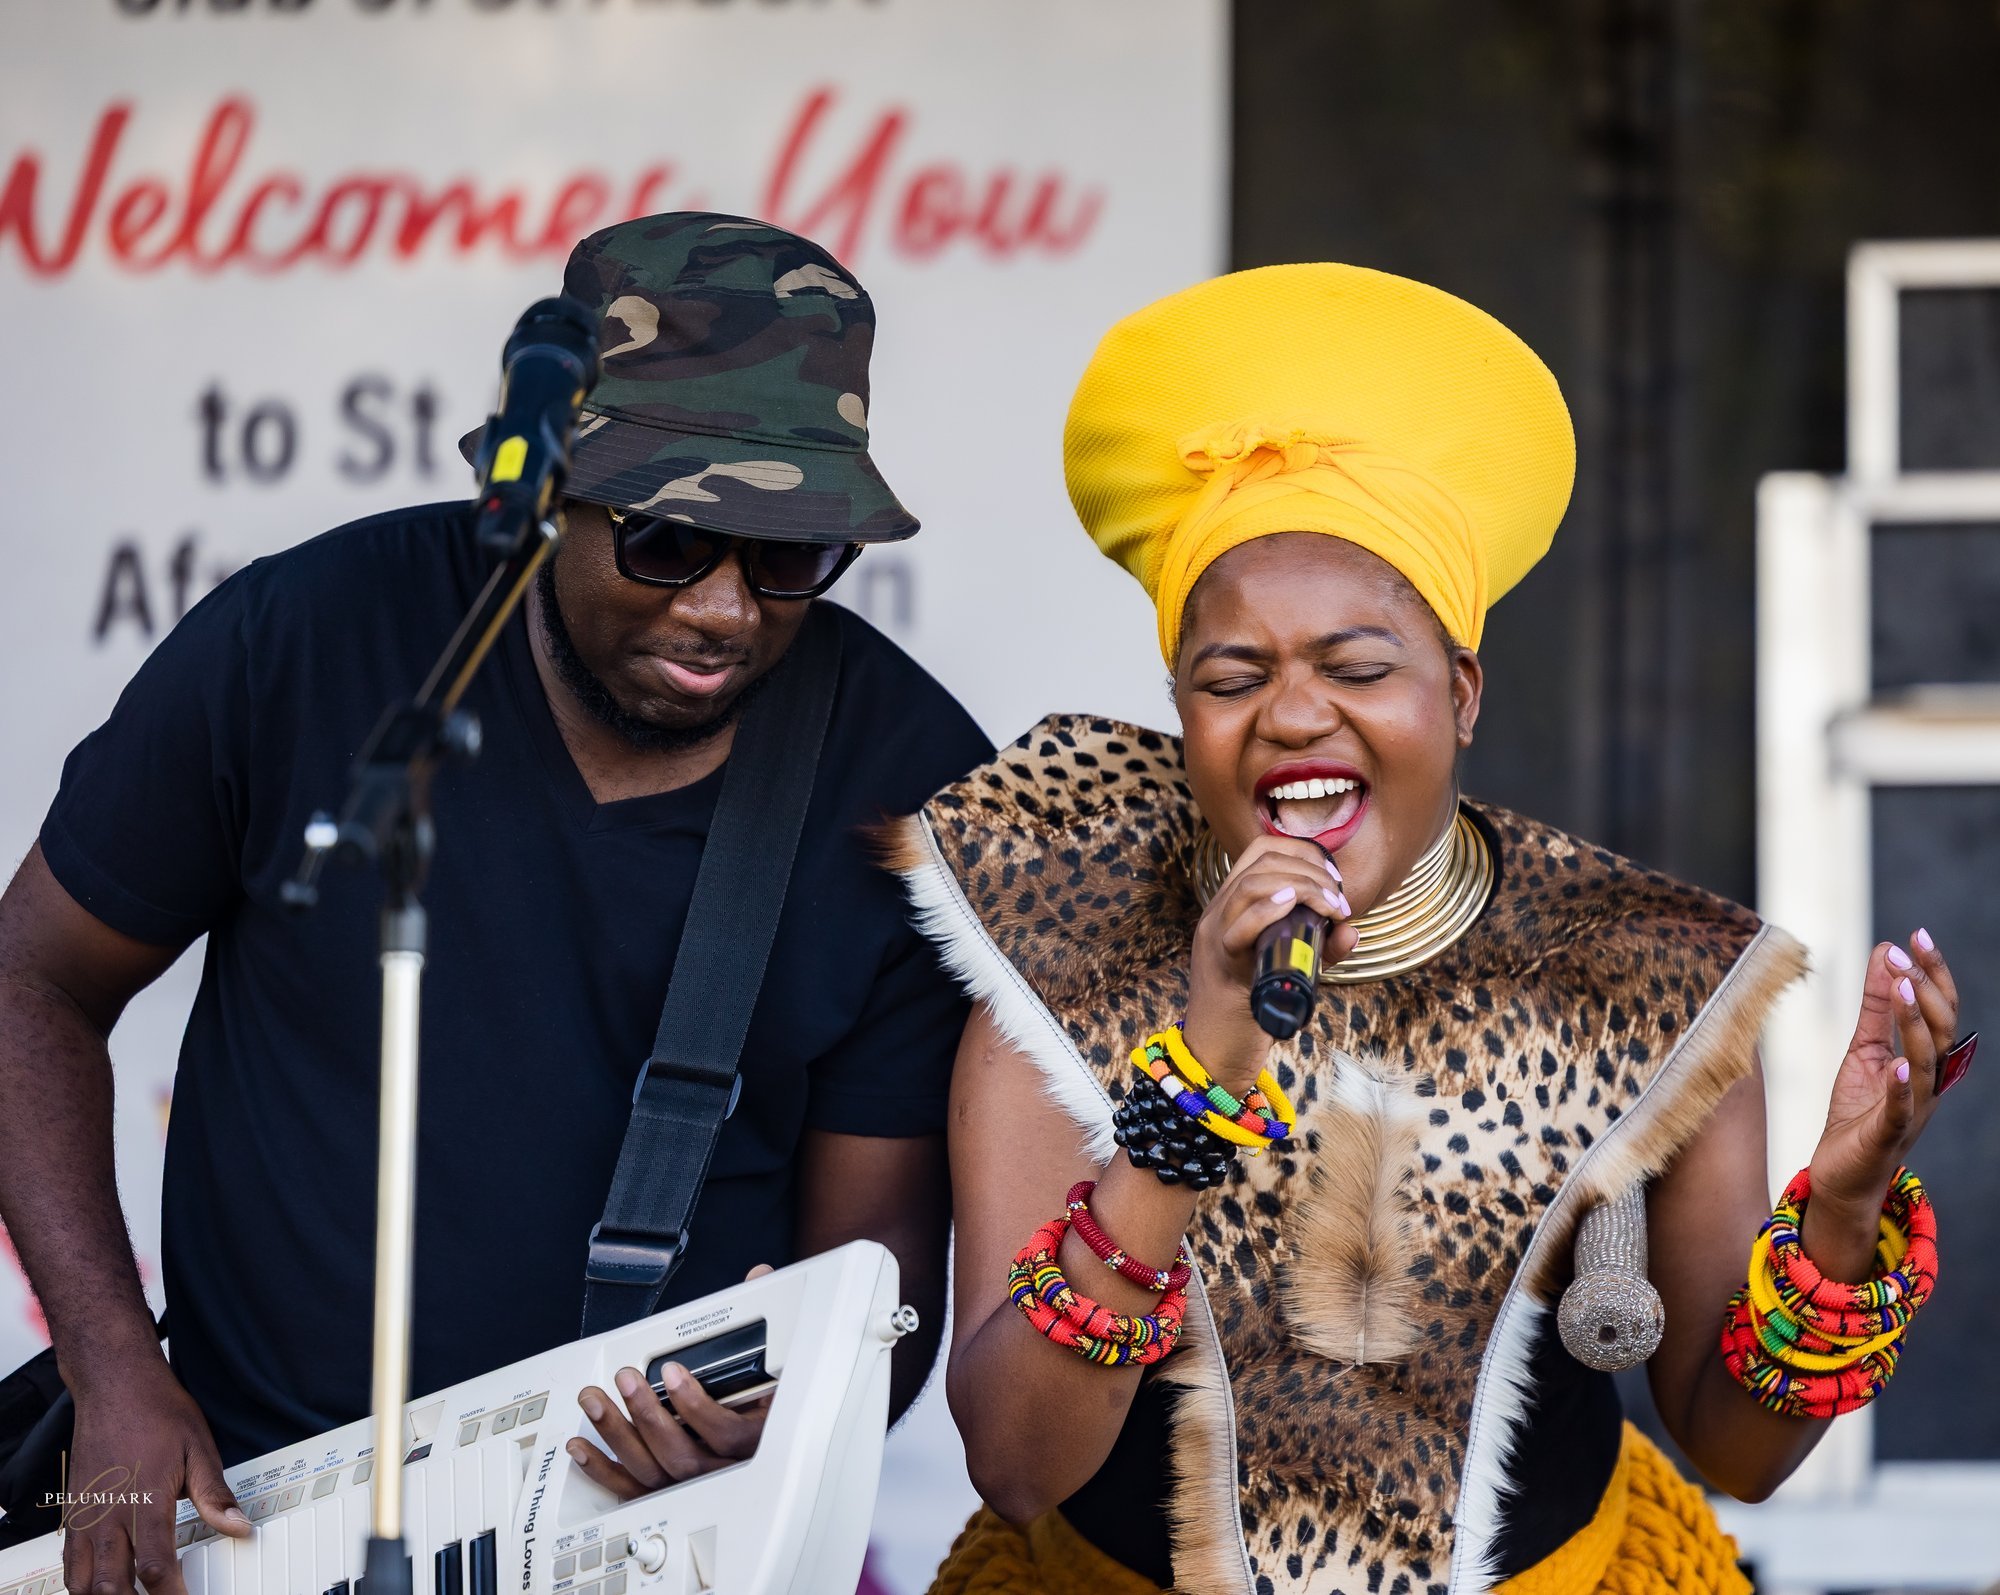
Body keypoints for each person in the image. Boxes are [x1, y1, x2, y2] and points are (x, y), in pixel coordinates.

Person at [888, 264, 1967, 1595]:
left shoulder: (1633, 978)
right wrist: (1195, 1092)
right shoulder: (1068, 962)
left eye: (1356, 667)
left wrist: (1844, 1212)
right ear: (1183, 709)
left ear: (1459, 691)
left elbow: (1735, 1451)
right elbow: (1017, 1463)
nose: (1291, 714)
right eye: (1233, 677)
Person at [0, 214, 989, 1588]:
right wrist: (109, 1362)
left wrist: (787, 1406)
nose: (723, 610)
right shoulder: (308, 642)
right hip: (252, 1509)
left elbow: (879, 1266)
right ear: (551, 498)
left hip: (635, 1538)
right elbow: (31, 981)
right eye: (663, 543)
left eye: (787, 561)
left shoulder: (909, 793)